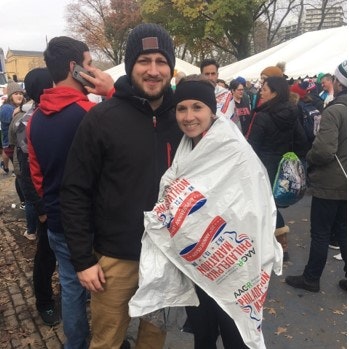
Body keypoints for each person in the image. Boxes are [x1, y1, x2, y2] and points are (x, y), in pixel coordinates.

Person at [128, 75, 282, 349]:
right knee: (203, 334)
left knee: (235, 336)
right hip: (199, 265)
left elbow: (251, 208)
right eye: (182, 108)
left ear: (212, 110)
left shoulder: (234, 151)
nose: (188, 116)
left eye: (197, 107)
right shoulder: (186, 146)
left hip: (234, 264)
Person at [60, 23, 183, 349]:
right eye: (145, 60)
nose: (154, 70)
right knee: (107, 341)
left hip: (167, 259)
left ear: (171, 67)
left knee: (154, 339)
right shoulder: (102, 118)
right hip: (116, 260)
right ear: (131, 65)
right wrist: (83, 260)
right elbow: (74, 191)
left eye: (161, 60)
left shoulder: (185, 119)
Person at [27, 36, 114, 348]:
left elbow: (37, 175)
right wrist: (113, 90)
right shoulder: (91, 114)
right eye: (89, 64)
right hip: (94, 221)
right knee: (108, 289)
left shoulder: (34, 119)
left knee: (71, 285)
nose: (94, 71)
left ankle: (75, 343)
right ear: (74, 68)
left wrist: (49, 206)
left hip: (58, 221)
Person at [285, 60, 347, 292]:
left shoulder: (335, 110)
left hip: (330, 183)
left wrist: (309, 157)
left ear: (338, 83)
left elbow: (324, 150)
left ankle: (311, 278)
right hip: (345, 182)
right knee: (343, 230)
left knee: (321, 232)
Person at [9, 67, 60, 325]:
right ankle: (44, 301)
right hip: (45, 201)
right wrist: (40, 209)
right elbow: (26, 171)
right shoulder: (28, 120)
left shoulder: (53, 114)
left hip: (60, 199)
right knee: (46, 254)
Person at [247, 76, 307, 262]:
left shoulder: (263, 116)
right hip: (282, 169)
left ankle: (271, 245)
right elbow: (302, 143)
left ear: (274, 92)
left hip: (262, 169)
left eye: (264, 89)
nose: (261, 92)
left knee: (264, 206)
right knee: (270, 205)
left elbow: (251, 147)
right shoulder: (292, 113)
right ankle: (281, 244)